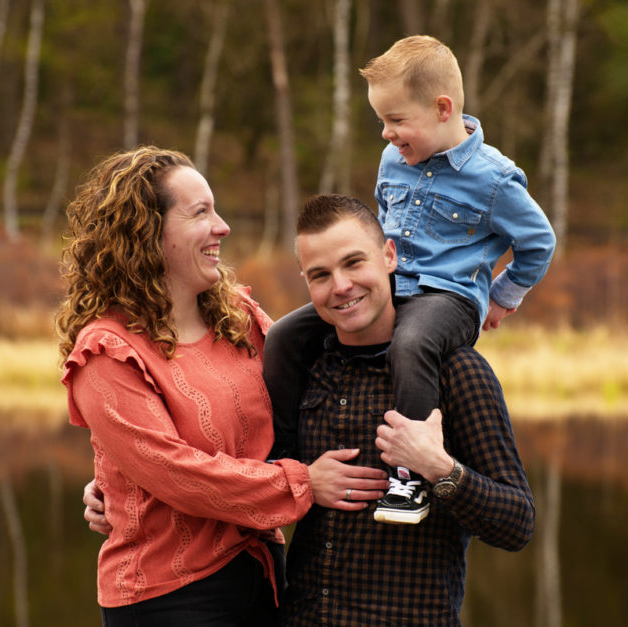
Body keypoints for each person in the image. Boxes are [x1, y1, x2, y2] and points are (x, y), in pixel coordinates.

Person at [87, 194, 536, 625]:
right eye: (320, 274)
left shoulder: (455, 373)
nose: (341, 286)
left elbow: (516, 524)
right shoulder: (301, 370)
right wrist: (122, 489)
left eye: (354, 262)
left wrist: (439, 468)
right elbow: (244, 463)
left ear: (390, 256)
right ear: (307, 283)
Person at [57, 148, 388, 626]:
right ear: (148, 234)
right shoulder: (106, 351)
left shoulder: (240, 319)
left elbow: (322, 394)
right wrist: (303, 483)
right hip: (167, 600)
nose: (223, 226)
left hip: (263, 575)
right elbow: (175, 473)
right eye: (200, 213)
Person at [263, 35, 555, 524]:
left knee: (411, 342)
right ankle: (281, 457)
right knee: (285, 334)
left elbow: (538, 242)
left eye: (396, 121)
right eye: (381, 121)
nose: (385, 133)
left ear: (443, 109)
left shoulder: (495, 179)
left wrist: (503, 296)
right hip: (395, 285)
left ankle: (409, 478)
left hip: (450, 298)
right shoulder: (394, 160)